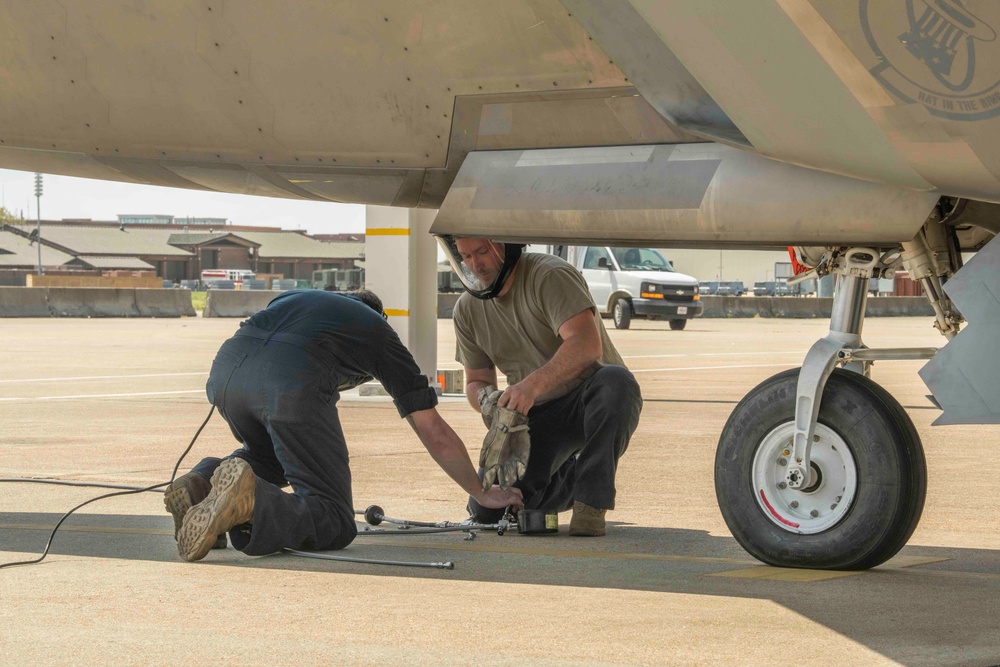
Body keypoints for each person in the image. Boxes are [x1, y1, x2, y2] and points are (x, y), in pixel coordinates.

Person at [165, 288, 522, 562]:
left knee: (270, 457)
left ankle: (202, 483)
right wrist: (480, 491)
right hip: (291, 382)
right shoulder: (378, 333)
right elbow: (432, 428)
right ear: (379, 317)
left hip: (226, 376)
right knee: (333, 519)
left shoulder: (299, 299)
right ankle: (252, 506)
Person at [439, 237, 642, 536]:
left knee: (617, 383)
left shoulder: (549, 276)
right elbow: (477, 381)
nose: (474, 264)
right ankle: (568, 479)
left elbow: (586, 344)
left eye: (482, 251)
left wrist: (530, 386)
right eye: (465, 256)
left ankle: (591, 500)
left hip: (588, 396)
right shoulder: (468, 310)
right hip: (533, 414)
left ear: (506, 246)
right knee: (489, 509)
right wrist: (487, 400)